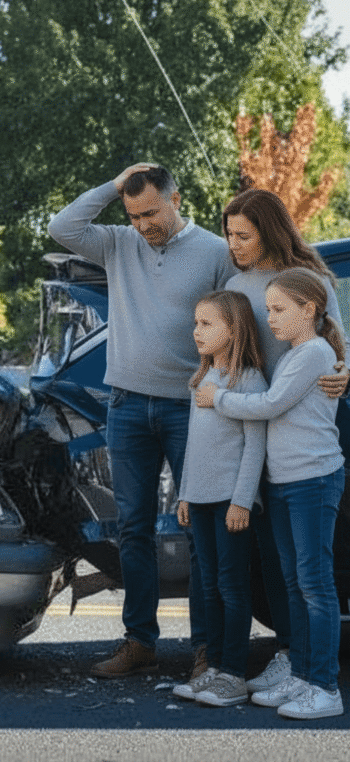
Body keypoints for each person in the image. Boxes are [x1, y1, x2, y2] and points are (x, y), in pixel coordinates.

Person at [48, 163, 235, 677]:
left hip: (188, 409)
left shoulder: (216, 254)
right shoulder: (117, 244)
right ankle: (140, 641)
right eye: (133, 215)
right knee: (132, 529)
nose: (143, 225)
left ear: (177, 198)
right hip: (126, 405)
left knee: (202, 528)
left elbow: (235, 328)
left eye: (151, 212)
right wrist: (111, 186)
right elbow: (60, 228)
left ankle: (207, 649)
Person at [197, 268, 345, 720]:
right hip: (285, 482)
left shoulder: (314, 353)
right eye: (268, 311)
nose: (272, 319)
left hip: (312, 480)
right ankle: (301, 673)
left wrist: (216, 398)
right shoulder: (296, 353)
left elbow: (269, 405)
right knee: (295, 584)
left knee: (315, 584)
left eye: (280, 310)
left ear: (309, 309)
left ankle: (324, 686)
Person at [220, 189, 349, 696]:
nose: (234, 244)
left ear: (269, 230)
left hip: (303, 431)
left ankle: (311, 671)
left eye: (243, 235)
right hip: (254, 433)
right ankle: (292, 657)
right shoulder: (234, 284)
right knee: (275, 559)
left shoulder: (310, 281)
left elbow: (336, 341)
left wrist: (346, 372)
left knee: (309, 566)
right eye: (229, 234)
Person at [172, 290, 268, 706]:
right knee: (208, 584)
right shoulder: (202, 379)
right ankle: (212, 667)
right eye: (196, 323)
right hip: (202, 500)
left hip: (232, 503)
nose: (197, 331)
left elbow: (254, 447)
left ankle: (233, 673)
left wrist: (242, 500)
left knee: (232, 586)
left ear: (234, 330)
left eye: (207, 324)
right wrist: (185, 495)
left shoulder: (248, 380)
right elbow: (194, 447)